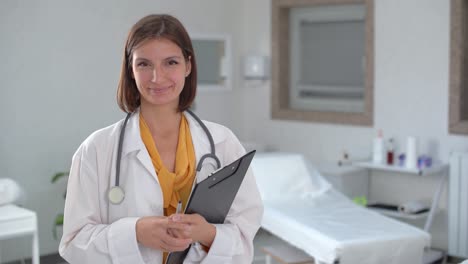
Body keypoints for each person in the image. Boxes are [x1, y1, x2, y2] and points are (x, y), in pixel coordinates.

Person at [59, 14, 263, 264]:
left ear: (188, 66)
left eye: (171, 62)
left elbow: (244, 233)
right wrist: (135, 233)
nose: (157, 77)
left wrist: (207, 234)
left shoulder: (223, 142)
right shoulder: (96, 149)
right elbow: (73, 244)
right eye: (144, 64)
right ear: (131, 70)